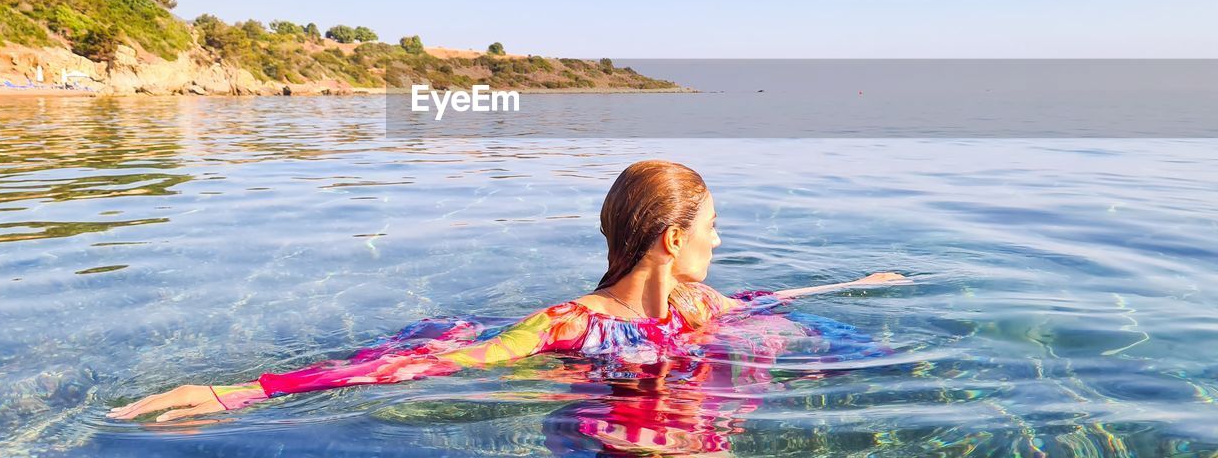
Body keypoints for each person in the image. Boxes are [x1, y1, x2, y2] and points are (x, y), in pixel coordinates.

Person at [108, 160, 908, 423]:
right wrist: (244, 390)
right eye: (712, 231)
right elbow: (433, 366)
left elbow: (766, 301)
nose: (720, 244)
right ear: (673, 240)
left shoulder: (702, 305)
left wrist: (855, 283)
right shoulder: (567, 325)